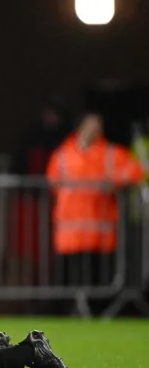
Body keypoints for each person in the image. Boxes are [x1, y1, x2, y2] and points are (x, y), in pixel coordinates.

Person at [46, 113, 144, 290]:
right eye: (91, 125)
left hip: (99, 231)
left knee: (98, 278)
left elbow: (134, 171)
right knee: (69, 277)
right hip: (70, 231)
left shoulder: (109, 153)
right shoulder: (62, 154)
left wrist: (114, 181)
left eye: (98, 125)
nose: (95, 129)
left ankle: (95, 310)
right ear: (80, 127)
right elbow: (52, 180)